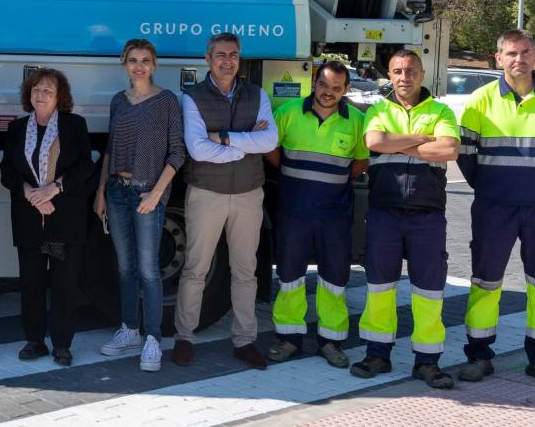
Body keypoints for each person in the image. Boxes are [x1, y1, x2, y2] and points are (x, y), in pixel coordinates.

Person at [457, 29, 535, 388]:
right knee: (485, 282)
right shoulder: (480, 99)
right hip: (493, 207)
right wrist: (492, 188)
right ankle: (479, 356)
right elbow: (466, 155)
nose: (519, 59)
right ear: (499, 58)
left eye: (525, 52)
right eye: (511, 53)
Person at [355, 49, 460, 388]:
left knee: (429, 290)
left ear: (422, 73)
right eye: (398, 71)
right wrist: (422, 140)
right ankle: (377, 353)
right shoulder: (377, 110)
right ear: (389, 74)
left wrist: (395, 144)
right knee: (380, 287)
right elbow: (374, 140)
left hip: (427, 214)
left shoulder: (441, 110)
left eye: (411, 70)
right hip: (385, 211)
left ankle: (427, 361)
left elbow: (448, 150)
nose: (404, 77)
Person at [175, 33, 277, 370]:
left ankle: (244, 340)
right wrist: (246, 144)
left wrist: (223, 138)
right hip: (206, 194)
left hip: (249, 194)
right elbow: (196, 148)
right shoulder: (192, 98)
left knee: (246, 272)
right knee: (195, 269)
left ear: (240, 58)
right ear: (208, 59)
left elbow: (271, 139)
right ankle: (184, 337)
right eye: (221, 54)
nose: (227, 60)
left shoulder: (257, 94)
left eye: (233, 54)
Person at [263, 61, 368, 369]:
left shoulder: (357, 121)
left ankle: (331, 341)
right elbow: (270, 147)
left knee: (334, 278)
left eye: (336, 88)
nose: (328, 93)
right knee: (290, 276)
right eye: (324, 85)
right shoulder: (289, 112)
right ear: (314, 82)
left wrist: (335, 178)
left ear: (346, 90)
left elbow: (362, 161)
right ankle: (289, 338)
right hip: (294, 212)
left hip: (334, 214)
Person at [94, 39, 185, 372]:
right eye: (132, 60)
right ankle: (129, 330)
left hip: (148, 191)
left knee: (149, 271)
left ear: (154, 64)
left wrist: (156, 194)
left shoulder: (167, 102)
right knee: (125, 267)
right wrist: (101, 190)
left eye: (145, 60)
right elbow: (108, 149)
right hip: (117, 190)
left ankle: (153, 339)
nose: (139, 66)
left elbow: (177, 153)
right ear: (124, 64)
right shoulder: (119, 101)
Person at [1, 68, 96, 366]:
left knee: (62, 284)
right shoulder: (17, 129)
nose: (40, 95)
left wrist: (54, 189)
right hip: (31, 222)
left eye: (48, 91)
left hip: (61, 222)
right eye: (36, 90)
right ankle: (34, 341)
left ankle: (62, 344)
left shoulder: (73, 125)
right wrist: (31, 193)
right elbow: (7, 171)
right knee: (31, 282)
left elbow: (85, 167)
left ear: (59, 98)